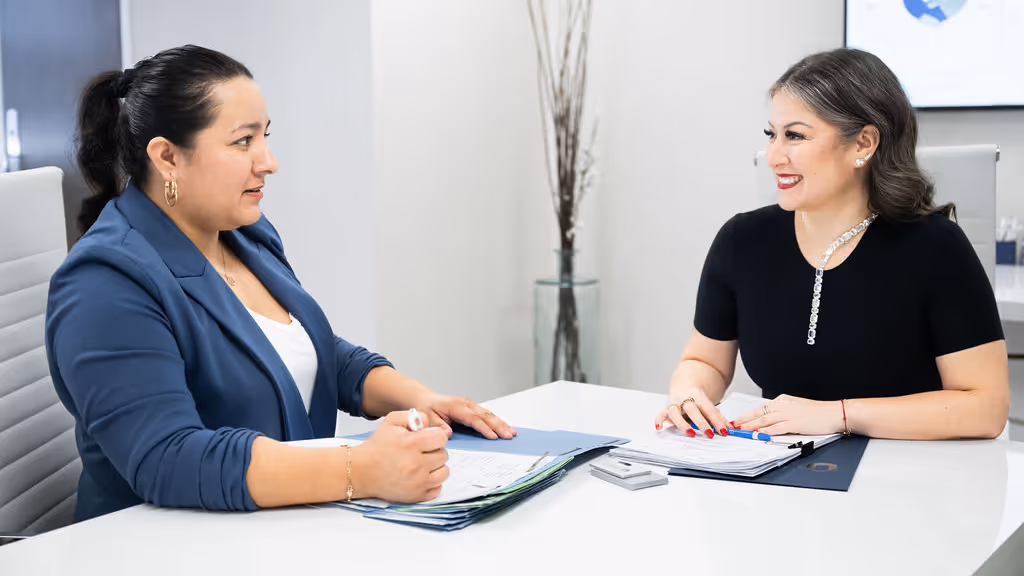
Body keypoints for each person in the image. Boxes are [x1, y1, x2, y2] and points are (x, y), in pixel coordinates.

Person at [46, 45, 515, 523]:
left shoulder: (244, 232)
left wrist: (420, 398)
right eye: (243, 141)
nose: (269, 162)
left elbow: (311, 352)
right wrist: (362, 469)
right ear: (167, 156)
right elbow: (169, 459)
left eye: (264, 137)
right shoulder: (104, 282)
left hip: (282, 528)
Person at [655, 48, 1008, 440]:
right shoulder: (741, 241)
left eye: (795, 136)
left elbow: (986, 408)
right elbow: (707, 361)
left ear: (863, 144)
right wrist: (689, 392)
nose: (773, 156)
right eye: (772, 135)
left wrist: (839, 415)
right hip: (775, 473)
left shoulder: (936, 249)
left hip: (908, 480)